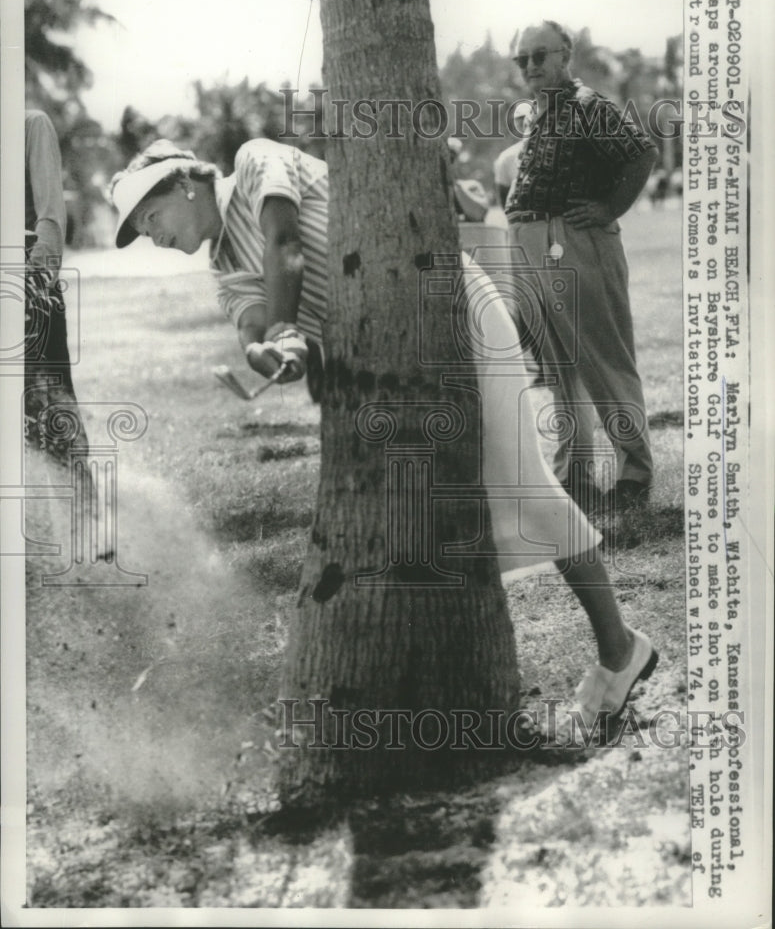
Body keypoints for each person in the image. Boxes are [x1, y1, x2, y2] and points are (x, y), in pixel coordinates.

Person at [110, 136, 657, 731]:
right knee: (424, 523)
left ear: (184, 184)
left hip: (449, 305)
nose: (152, 235)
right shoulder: (221, 267)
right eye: (141, 229)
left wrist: (287, 325)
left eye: (151, 216)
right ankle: (467, 690)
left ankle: (621, 651)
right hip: (395, 360)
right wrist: (271, 354)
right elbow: (253, 325)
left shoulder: (252, 159)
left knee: (524, 486)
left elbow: (284, 239)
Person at [505, 21, 658, 517]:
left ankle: (634, 472)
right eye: (522, 59)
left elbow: (641, 154)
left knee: (601, 358)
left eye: (540, 55)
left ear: (565, 53)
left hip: (571, 239)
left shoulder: (587, 105)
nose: (530, 66)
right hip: (532, 242)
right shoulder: (539, 113)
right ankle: (575, 474)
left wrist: (609, 209)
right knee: (558, 366)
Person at [24, 109, 91, 466]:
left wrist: (35, 280)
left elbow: (50, 216)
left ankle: (84, 510)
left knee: (53, 408)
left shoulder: (30, 124)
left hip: (28, 285)